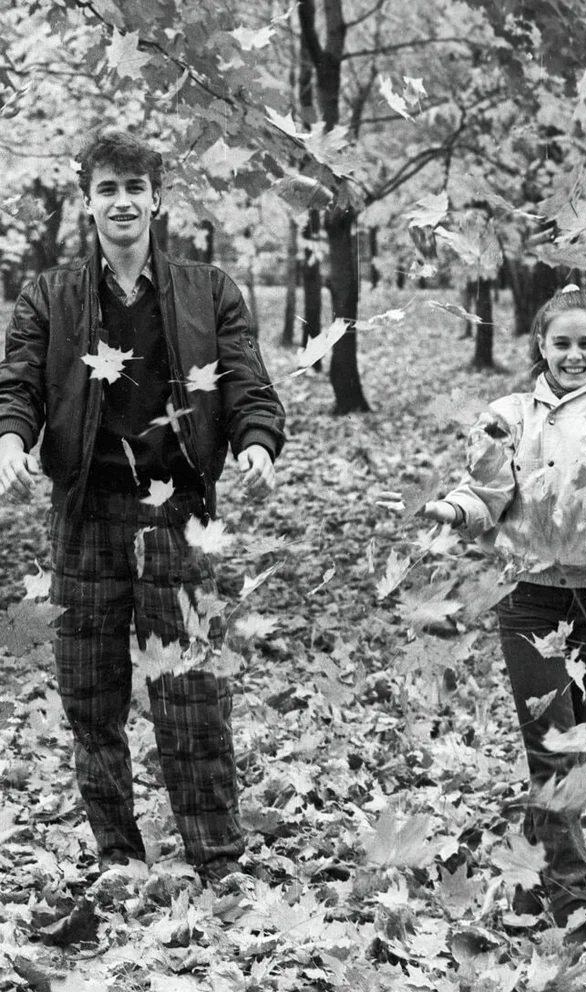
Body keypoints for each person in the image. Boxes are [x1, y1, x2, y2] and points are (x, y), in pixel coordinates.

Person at [0, 131, 285, 887]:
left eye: (135, 186)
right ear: (88, 200)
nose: (122, 201)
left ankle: (218, 864)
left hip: (179, 514)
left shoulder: (207, 290)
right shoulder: (49, 294)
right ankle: (119, 860)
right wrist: (9, 440)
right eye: (107, 188)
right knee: (91, 698)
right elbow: (19, 384)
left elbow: (247, 382)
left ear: (157, 198)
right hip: (87, 514)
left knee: (191, 695)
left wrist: (256, 442)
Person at [382, 285, 586, 931]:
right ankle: (574, 898)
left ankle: (530, 887)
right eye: (560, 343)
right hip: (528, 595)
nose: (573, 354)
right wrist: (445, 509)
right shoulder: (508, 413)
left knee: (569, 754)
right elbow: (484, 492)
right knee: (556, 750)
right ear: (540, 345)